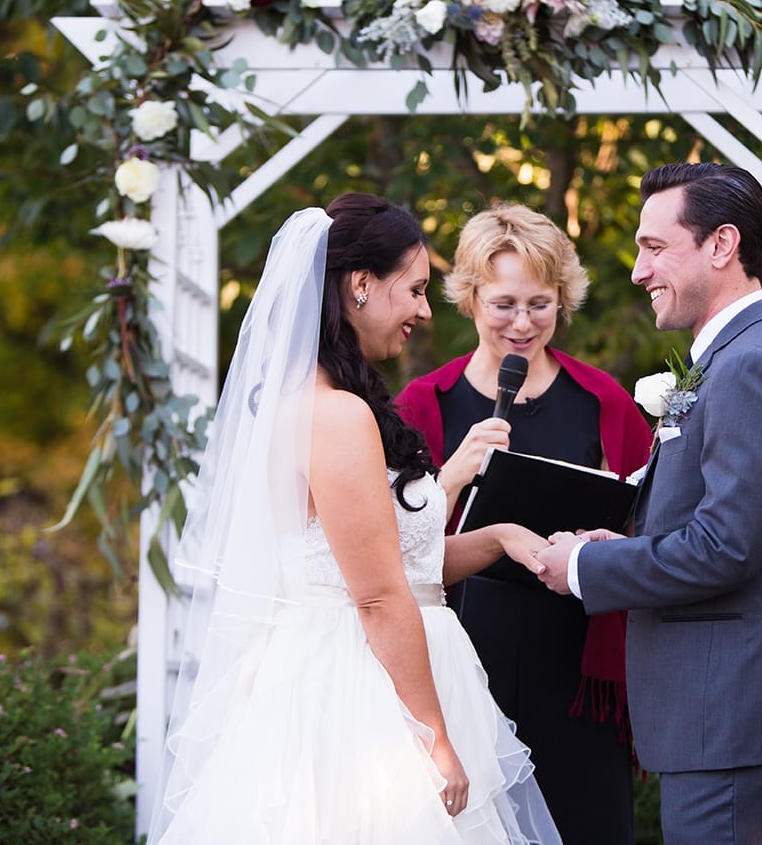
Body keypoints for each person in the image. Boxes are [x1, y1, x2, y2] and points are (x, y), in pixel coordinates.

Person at [150, 193, 562, 844]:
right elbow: (374, 594)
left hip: (386, 665)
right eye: (416, 289)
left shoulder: (333, 402)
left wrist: (498, 539)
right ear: (361, 285)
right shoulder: (334, 414)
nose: (426, 310)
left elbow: (400, 566)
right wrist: (432, 736)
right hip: (363, 693)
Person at [535, 163, 762, 844]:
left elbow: (725, 548)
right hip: (721, 718)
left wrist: (586, 570)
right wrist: (624, 546)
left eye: (653, 247)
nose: (639, 272)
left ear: (721, 245)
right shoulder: (735, 359)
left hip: (731, 716)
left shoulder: (752, 366)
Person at [396, 203, 651, 845]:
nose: (522, 323)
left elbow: (651, 530)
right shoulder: (424, 404)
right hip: (462, 661)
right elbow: (390, 548)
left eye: (540, 304)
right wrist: (453, 472)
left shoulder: (604, 402)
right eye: (504, 303)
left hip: (577, 670)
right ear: (470, 296)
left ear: (562, 300)